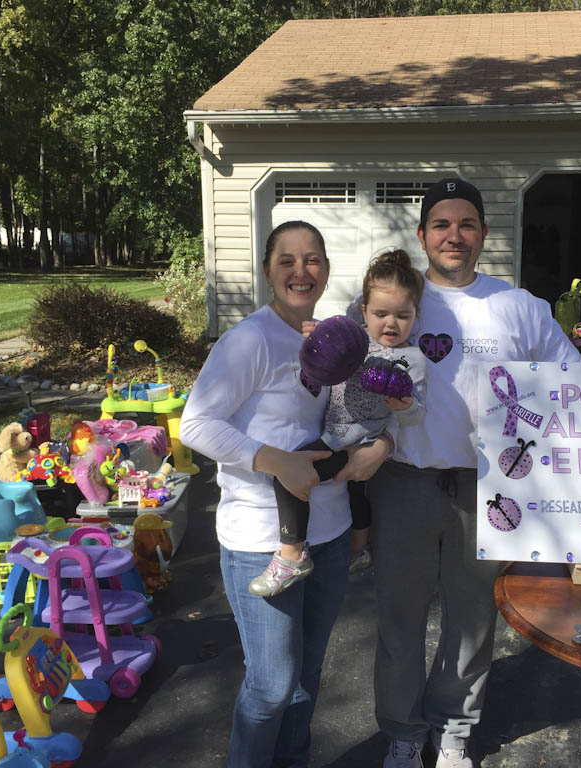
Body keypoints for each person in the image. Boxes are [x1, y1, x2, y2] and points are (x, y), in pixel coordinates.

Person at [366, 178, 581, 768]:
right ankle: (403, 732)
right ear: (422, 235)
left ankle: (454, 729)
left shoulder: (521, 308)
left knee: (471, 618)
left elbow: (576, 384)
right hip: (403, 482)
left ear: (484, 234)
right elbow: (342, 366)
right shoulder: (398, 302)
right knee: (399, 616)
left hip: (489, 487)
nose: (453, 235)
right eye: (441, 224)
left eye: (466, 225)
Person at [179, 220, 390, 767]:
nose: (302, 271)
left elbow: (361, 410)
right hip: (261, 539)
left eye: (313, 259)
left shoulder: (335, 337)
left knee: (306, 676)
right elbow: (196, 424)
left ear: (325, 269)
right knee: (272, 686)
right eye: (288, 260)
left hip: (331, 533)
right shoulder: (249, 338)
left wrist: (382, 443)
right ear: (268, 271)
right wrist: (276, 463)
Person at [250, 249, 428, 597]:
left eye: (402, 315)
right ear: (364, 312)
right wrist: (319, 339)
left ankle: (292, 554)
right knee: (352, 494)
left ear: (416, 315)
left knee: (290, 474)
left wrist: (404, 404)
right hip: (332, 431)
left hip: (358, 443)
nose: (390, 323)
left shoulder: (414, 360)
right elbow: (326, 350)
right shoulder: (354, 339)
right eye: (380, 314)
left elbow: (417, 415)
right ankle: (357, 551)